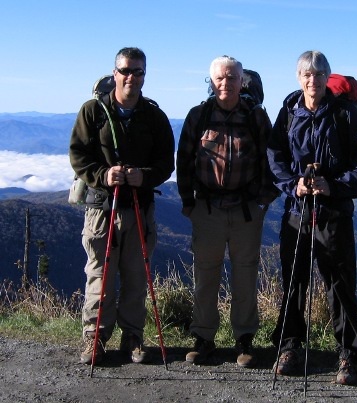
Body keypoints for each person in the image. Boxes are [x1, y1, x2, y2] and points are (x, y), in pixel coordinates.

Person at [267, 50, 357, 385]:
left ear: (327, 77)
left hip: (333, 213)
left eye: (318, 74)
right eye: (306, 74)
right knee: (294, 282)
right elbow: (275, 159)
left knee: (340, 285)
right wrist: (293, 184)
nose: (312, 80)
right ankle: (289, 346)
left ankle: (348, 355)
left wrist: (333, 186)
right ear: (299, 78)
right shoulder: (288, 114)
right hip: (297, 211)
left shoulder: (345, 115)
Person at [69, 47, 175, 365]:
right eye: (126, 70)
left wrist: (144, 177)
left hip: (139, 207)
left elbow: (165, 163)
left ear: (145, 75)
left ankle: (132, 338)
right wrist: (104, 174)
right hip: (102, 208)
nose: (131, 77)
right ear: (114, 72)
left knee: (135, 275)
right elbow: (78, 155)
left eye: (138, 72)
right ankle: (95, 339)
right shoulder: (93, 112)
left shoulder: (154, 116)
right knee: (100, 274)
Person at [176, 55, 278, 368]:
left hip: (246, 209)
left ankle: (244, 340)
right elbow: (184, 159)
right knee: (205, 276)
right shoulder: (199, 115)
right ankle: (204, 338)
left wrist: (264, 201)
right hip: (207, 208)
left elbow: (272, 159)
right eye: (220, 78)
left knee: (245, 275)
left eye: (232, 77)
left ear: (241, 81)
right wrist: (188, 202)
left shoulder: (255, 116)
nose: (226, 83)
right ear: (211, 81)